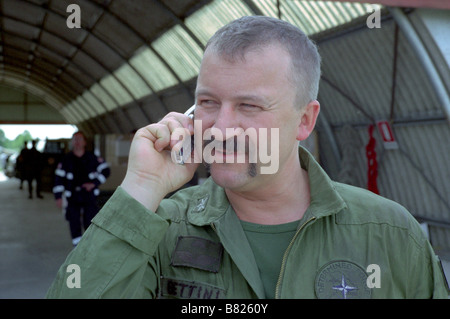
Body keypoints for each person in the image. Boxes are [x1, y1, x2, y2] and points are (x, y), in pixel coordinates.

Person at [47, 16, 448, 299]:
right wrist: (140, 191)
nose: (220, 128)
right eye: (207, 102)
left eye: (249, 107)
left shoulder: (389, 233)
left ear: (305, 120)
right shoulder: (161, 229)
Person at [53, 131, 110, 247]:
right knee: (73, 221)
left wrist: (94, 183)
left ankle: (89, 247)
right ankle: (77, 248)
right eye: (75, 139)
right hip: (72, 197)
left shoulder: (92, 158)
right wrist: (58, 197)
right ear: (72, 142)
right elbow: (58, 179)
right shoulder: (66, 160)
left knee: (90, 220)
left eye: (79, 139)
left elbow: (106, 171)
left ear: (84, 142)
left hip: (89, 196)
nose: (77, 142)